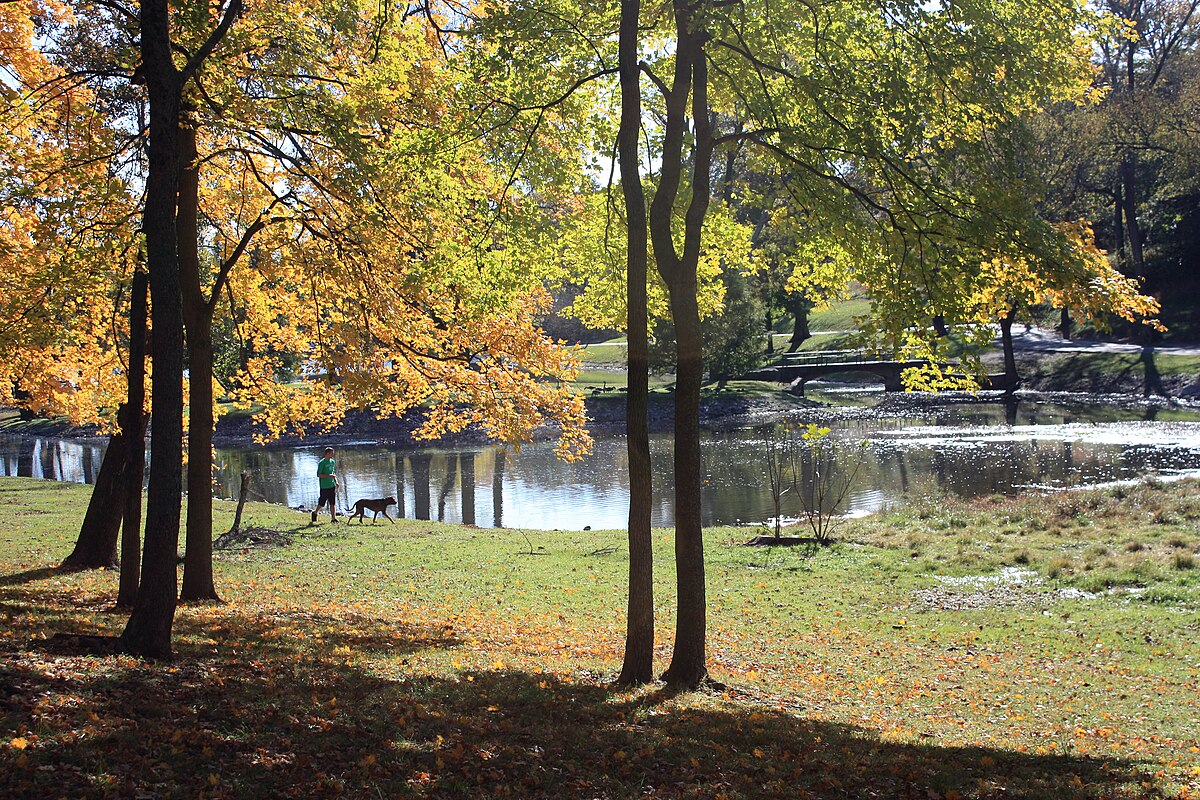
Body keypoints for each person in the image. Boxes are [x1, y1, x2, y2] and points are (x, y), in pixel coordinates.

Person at [313, 446, 339, 523]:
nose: (333, 454)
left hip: (332, 486)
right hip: (324, 486)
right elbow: (319, 475)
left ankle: (333, 519)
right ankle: (315, 513)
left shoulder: (332, 462)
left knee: (332, 503)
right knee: (322, 503)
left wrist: (336, 481)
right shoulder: (322, 463)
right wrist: (328, 476)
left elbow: (333, 473)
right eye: (331, 453)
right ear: (327, 453)